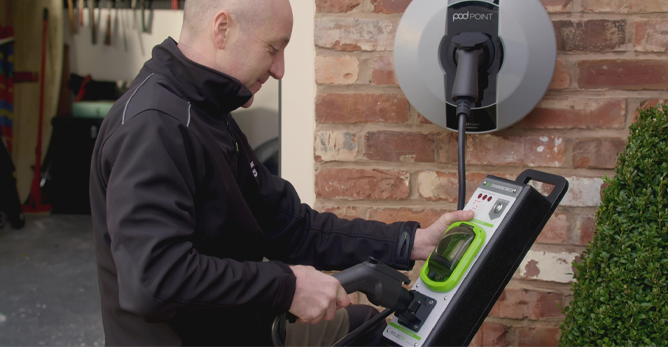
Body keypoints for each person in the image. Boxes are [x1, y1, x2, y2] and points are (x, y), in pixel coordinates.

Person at [89, 0, 473, 345]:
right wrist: (287, 287)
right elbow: (153, 280)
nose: (280, 69)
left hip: (240, 326)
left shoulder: (208, 112)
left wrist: (412, 243)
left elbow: (292, 226)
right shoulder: (153, 127)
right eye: (273, 49)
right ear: (222, 29)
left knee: (370, 329)